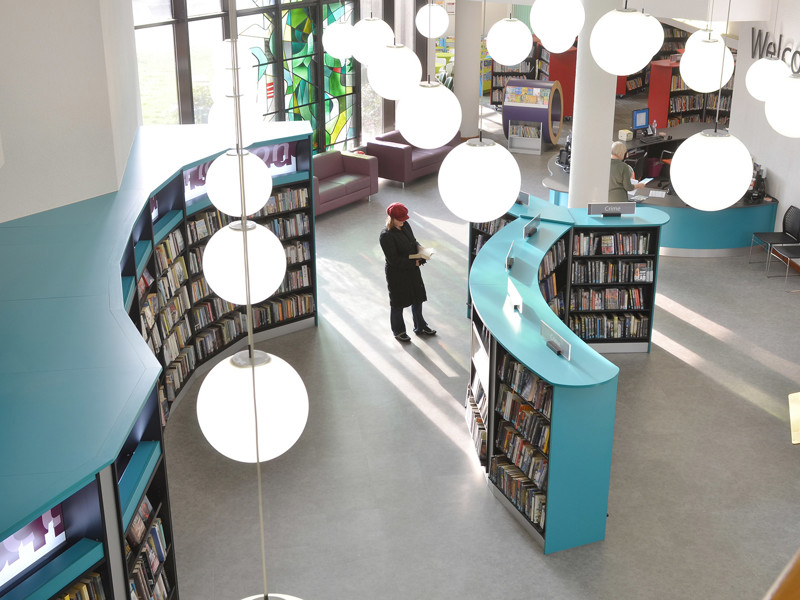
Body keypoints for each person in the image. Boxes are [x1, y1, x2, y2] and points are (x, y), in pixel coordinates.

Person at [379, 202, 436, 342]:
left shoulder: (405, 226)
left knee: (417, 298)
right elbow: (394, 260)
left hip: (412, 270)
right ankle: (399, 331)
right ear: (392, 219)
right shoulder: (386, 236)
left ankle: (420, 326)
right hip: (397, 274)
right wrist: (415, 262)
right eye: (400, 219)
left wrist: (419, 247)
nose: (404, 221)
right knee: (398, 303)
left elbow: (413, 241)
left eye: (405, 219)